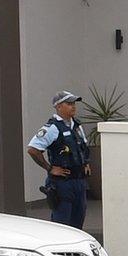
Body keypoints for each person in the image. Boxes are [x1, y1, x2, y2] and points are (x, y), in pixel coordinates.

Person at [26, 91, 91, 229]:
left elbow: (82, 148)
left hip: (79, 181)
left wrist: (85, 163)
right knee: (62, 224)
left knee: (78, 223)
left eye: (74, 103)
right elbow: (33, 149)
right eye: (69, 104)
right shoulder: (52, 127)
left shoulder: (77, 126)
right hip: (62, 183)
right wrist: (50, 168)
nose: (73, 107)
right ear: (59, 107)